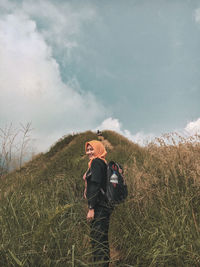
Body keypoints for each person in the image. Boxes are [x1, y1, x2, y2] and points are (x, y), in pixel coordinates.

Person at [83, 140, 113, 267]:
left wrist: (91, 208)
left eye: (92, 149)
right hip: (104, 206)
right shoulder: (102, 162)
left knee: (98, 240)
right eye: (87, 149)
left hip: (99, 207)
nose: (89, 152)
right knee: (101, 240)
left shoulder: (96, 162)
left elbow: (95, 185)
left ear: (99, 149)